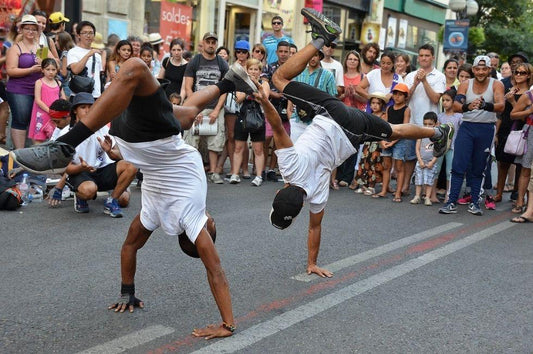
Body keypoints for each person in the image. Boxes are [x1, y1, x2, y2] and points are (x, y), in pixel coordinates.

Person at [10, 41, 261, 338]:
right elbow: (129, 246)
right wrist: (127, 291)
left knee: (136, 68)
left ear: (206, 229)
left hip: (149, 137)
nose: (211, 218)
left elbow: (216, 271)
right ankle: (227, 82)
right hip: (143, 136)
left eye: (212, 224)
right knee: (188, 111)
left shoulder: (193, 219)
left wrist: (228, 324)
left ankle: (65, 144)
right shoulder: (154, 215)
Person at [254, 9, 453, 277]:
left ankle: (438, 133)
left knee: (395, 130)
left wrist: (312, 264)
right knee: (279, 79)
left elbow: (315, 228)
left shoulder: (316, 196)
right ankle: (321, 39)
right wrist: (266, 101)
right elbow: (277, 126)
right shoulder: (288, 168)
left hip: (354, 135)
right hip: (336, 115)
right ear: (278, 193)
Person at [439, 55, 505, 216]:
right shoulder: (465, 84)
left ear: (490, 70)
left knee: (478, 167)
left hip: (486, 129)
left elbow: (501, 105)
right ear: (473, 69)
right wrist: (468, 106)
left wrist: (485, 105)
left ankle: (475, 202)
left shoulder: (497, 84)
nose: (481, 72)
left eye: (484, 69)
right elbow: (455, 105)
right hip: (467, 128)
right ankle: (451, 202)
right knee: (458, 165)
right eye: (478, 69)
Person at [62, 93, 136, 217]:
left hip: (102, 170)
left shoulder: (103, 128)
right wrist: (81, 167)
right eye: (83, 107)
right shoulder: (66, 133)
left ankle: (111, 200)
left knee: (125, 195)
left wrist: (110, 151)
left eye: (91, 106)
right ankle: (80, 196)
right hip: (80, 172)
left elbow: (118, 156)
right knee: (88, 191)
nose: (88, 110)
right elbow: (65, 168)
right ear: (75, 110)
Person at [183, 32, 229, 184]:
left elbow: (225, 88)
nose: (211, 45)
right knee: (192, 141)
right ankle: (191, 172)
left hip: (216, 107)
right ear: (203, 43)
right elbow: (188, 87)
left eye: (213, 42)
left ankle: (214, 172)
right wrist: (195, 108)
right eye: (208, 41)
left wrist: (217, 110)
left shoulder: (221, 63)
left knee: (215, 141)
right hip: (197, 107)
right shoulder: (195, 61)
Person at [402, 44, 446, 196]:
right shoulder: (410, 75)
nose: (424, 58)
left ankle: (428, 192)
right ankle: (406, 186)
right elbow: (405, 99)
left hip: (429, 126)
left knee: (429, 157)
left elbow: (435, 99)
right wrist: (415, 82)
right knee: (409, 156)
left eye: (427, 55)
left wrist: (425, 81)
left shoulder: (439, 76)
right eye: (421, 55)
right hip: (413, 121)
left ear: (433, 57)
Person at [5, 15, 51, 149]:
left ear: (38, 31)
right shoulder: (15, 48)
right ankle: (19, 153)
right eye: (27, 29)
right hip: (19, 89)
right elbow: (11, 70)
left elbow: (53, 66)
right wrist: (31, 70)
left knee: (37, 120)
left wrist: (44, 65)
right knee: (20, 120)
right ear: (21, 30)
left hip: (38, 89)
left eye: (33, 29)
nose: (30, 32)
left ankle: (32, 153)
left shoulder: (41, 48)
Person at [229, 58, 269, 186]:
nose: (253, 71)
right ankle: (235, 174)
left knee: (258, 149)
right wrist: (249, 89)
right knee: (238, 147)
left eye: (256, 69)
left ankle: (258, 176)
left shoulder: (264, 83)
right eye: (250, 69)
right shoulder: (242, 82)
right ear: (246, 70)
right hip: (243, 115)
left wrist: (256, 85)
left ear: (260, 71)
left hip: (258, 116)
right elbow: (238, 99)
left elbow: (264, 99)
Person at [374, 83, 411, 201]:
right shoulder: (389, 108)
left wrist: (393, 142)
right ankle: (384, 190)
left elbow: (404, 128)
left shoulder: (406, 109)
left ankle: (398, 193)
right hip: (388, 138)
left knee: (399, 167)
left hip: (399, 140)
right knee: (386, 166)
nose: (397, 97)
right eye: (395, 94)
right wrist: (383, 140)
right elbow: (385, 125)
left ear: (405, 97)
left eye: (400, 95)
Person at [354, 92, 386, 196]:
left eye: (377, 103)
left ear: (382, 105)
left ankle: (371, 186)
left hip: (377, 143)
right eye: (373, 103)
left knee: (374, 164)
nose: (375, 105)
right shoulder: (369, 115)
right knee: (364, 162)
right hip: (368, 142)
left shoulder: (384, 116)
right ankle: (363, 185)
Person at [28, 58, 66, 143]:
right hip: (42, 114)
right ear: (42, 70)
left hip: (55, 115)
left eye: (53, 69)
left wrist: (60, 111)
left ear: (57, 70)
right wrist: (50, 111)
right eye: (48, 69)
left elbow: (63, 98)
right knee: (38, 137)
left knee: (53, 137)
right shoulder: (39, 82)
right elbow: (38, 100)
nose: (51, 72)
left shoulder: (58, 83)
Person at [509, 84, 533, 215]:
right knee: (526, 169)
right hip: (530, 133)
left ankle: (531, 206)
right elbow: (513, 114)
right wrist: (529, 111)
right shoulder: (529, 95)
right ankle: (520, 202)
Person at [437, 89, 462, 203]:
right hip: (440, 146)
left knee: (449, 172)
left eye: (448, 100)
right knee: (436, 170)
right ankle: (431, 193)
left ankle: (449, 194)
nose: (445, 103)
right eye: (443, 100)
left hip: (453, 147)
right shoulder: (440, 116)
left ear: (454, 101)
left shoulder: (459, 117)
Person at [67, 21, 103, 98]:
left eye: (91, 33)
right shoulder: (73, 52)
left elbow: (98, 76)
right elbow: (75, 70)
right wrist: (88, 55)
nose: (88, 35)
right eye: (85, 33)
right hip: (78, 94)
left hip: (96, 95)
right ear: (78, 35)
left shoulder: (97, 55)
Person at [410, 112, 439, 206]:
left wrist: (432, 162)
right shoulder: (421, 134)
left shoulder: (437, 136)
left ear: (435, 124)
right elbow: (417, 148)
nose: (427, 126)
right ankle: (417, 196)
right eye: (425, 124)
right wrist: (420, 160)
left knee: (429, 181)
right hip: (421, 161)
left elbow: (438, 151)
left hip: (431, 162)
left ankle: (427, 197)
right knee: (419, 179)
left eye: (430, 124)